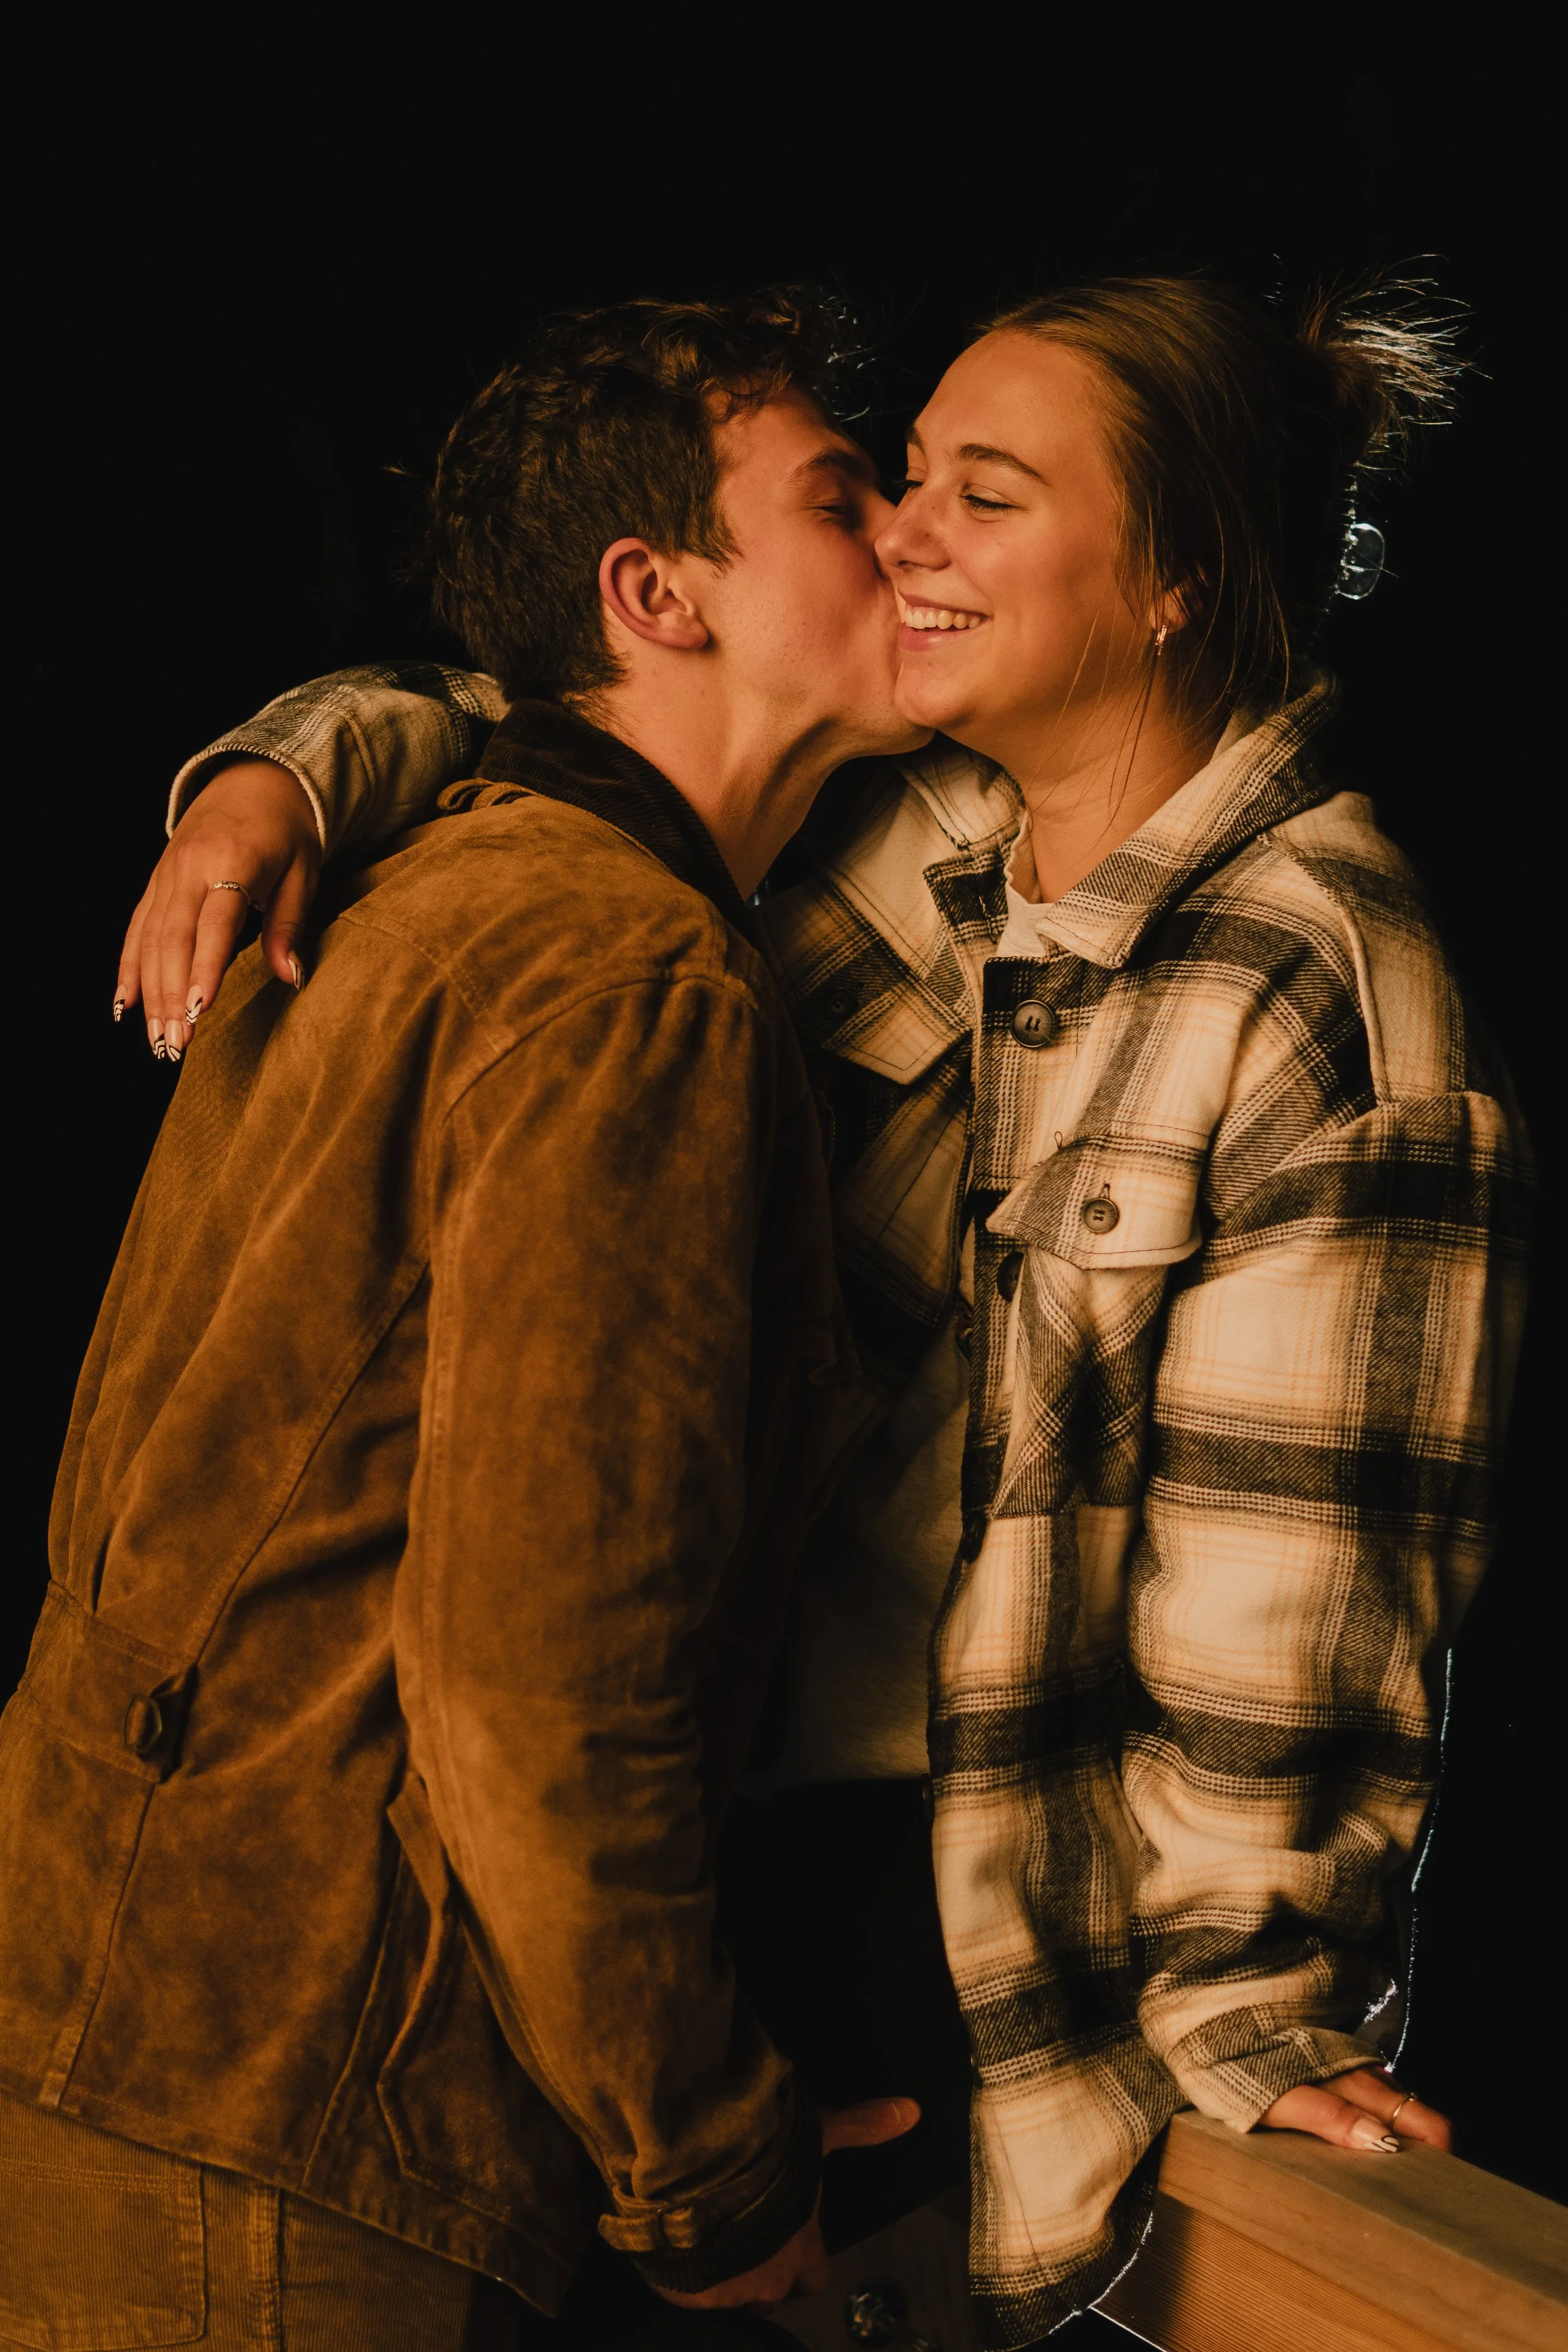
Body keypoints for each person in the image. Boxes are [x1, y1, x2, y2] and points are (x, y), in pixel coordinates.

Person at [106, 274, 1529, 2348]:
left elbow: (1291, 1609)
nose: (901, 536)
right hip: (623, 1910)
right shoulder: (906, 808)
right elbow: (572, 689)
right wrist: (286, 772)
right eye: (892, 481)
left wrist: (1254, 2007)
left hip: (912, 1946)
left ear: (1173, 583)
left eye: (981, 493)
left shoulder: (1326, 997)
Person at [0, 290, 931, 2351]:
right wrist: (713, 2171)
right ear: (655, 593)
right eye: (838, 495)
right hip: (289, 2109)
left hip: (125, 2024)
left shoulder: (432, 882)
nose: (904, 534)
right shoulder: (628, 978)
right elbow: (538, 1682)